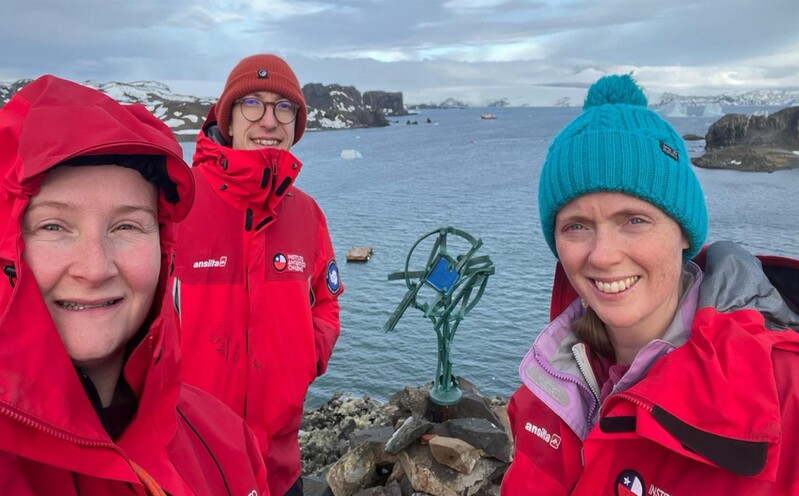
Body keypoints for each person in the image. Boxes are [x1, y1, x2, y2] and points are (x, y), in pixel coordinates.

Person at [501, 74, 799, 495]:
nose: (602, 255)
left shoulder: (785, 399)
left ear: (683, 233)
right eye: (577, 226)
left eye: (634, 220)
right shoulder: (546, 390)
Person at [0, 75, 268, 495]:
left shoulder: (227, 441)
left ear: (165, 249)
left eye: (126, 226)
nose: (95, 268)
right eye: (53, 226)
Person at [173, 54, 342, 496]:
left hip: (279, 466)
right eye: (252, 103)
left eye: (283, 107)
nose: (269, 120)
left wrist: (307, 357)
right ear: (227, 118)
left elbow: (326, 302)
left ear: (296, 124)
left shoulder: (307, 215)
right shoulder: (178, 205)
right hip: (192, 467)